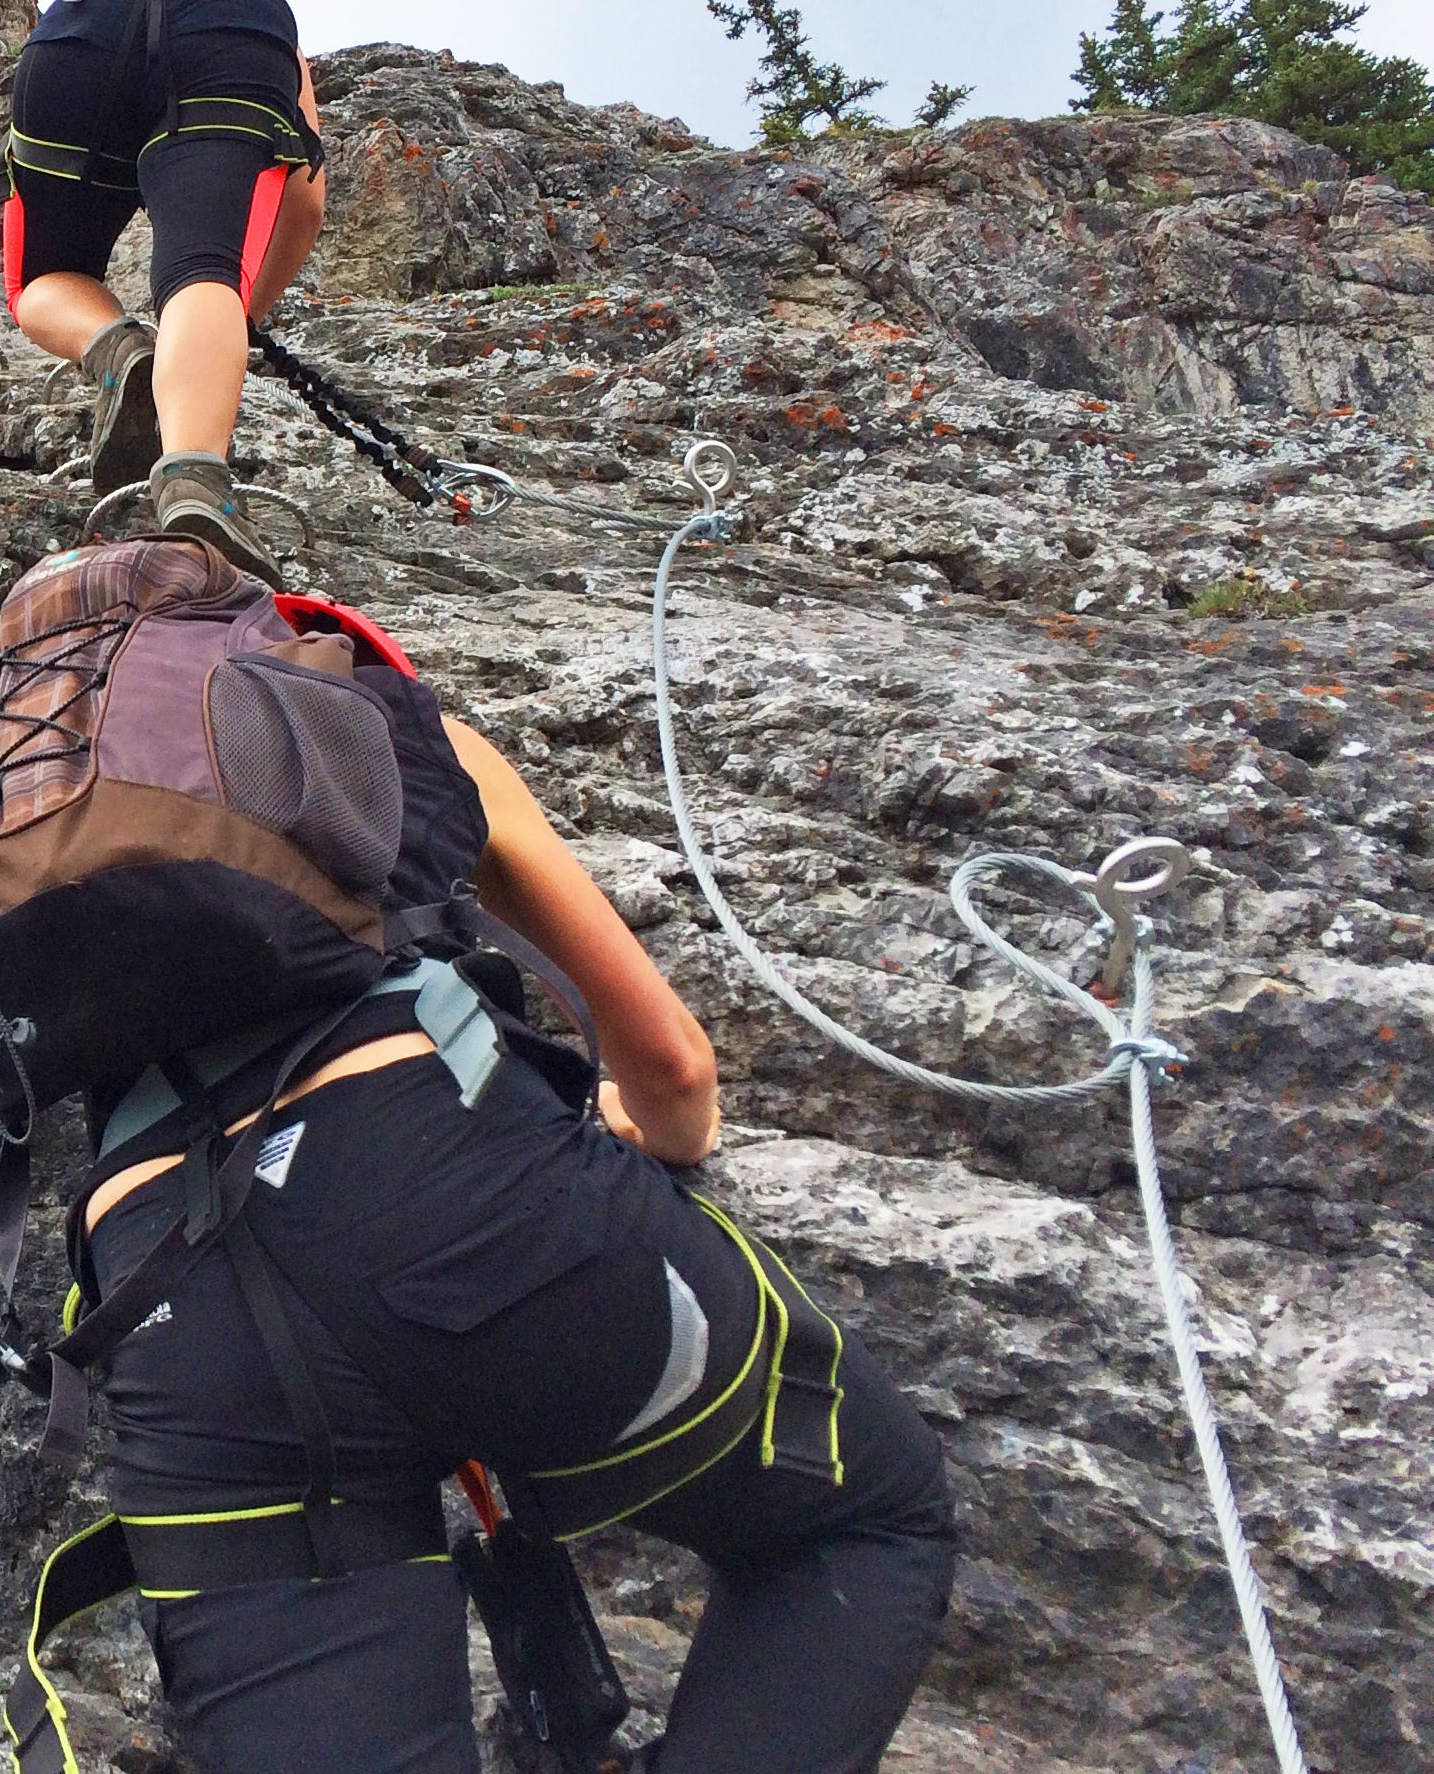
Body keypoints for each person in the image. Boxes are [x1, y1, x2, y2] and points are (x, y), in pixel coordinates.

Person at [72, 709, 959, 1772]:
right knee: (858, 1519)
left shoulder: (18, 835)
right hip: (471, 1210)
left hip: (176, 1305)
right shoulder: (357, 715)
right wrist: (657, 1126)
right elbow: (674, 1072)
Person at [0, 0, 330, 586]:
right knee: (202, 267)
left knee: (43, 277)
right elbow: (306, 198)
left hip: (79, 35)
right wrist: (229, 325)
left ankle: (116, 353)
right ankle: (193, 481)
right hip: (232, 41)